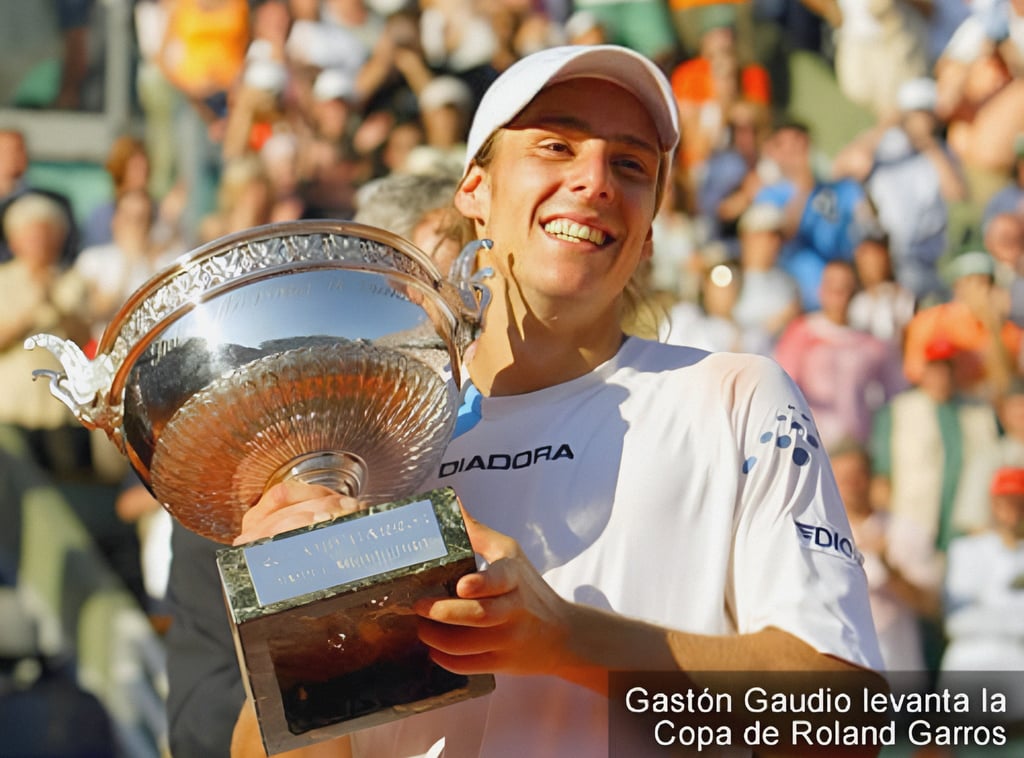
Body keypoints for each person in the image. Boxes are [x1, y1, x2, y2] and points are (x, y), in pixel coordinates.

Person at [168, 45, 884, 757]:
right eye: (555, 146)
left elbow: (845, 721)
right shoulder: (364, 445)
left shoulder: (734, 397)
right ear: (474, 190)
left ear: (651, 231)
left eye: (630, 164)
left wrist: (564, 638)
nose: (594, 181)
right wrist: (298, 619)